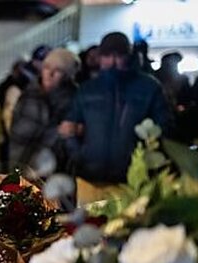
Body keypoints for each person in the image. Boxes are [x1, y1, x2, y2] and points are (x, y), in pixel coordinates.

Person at [61, 32, 172, 203]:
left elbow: (164, 128)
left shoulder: (149, 88)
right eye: (107, 55)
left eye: (119, 55)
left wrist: (145, 162)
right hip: (89, 179)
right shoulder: (88, 89)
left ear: (128, 55)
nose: (113, 61)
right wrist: (79, 154)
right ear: (100, 57)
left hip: (132, 182)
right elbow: (69, 126)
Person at [9, 48, 79, 171]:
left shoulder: (74, 98)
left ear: (67, 76)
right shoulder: (29, 93)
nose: (50, 73)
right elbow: (16, 127)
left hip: (53, 167)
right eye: (46, 67)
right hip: (20, 159)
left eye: (58, 70)